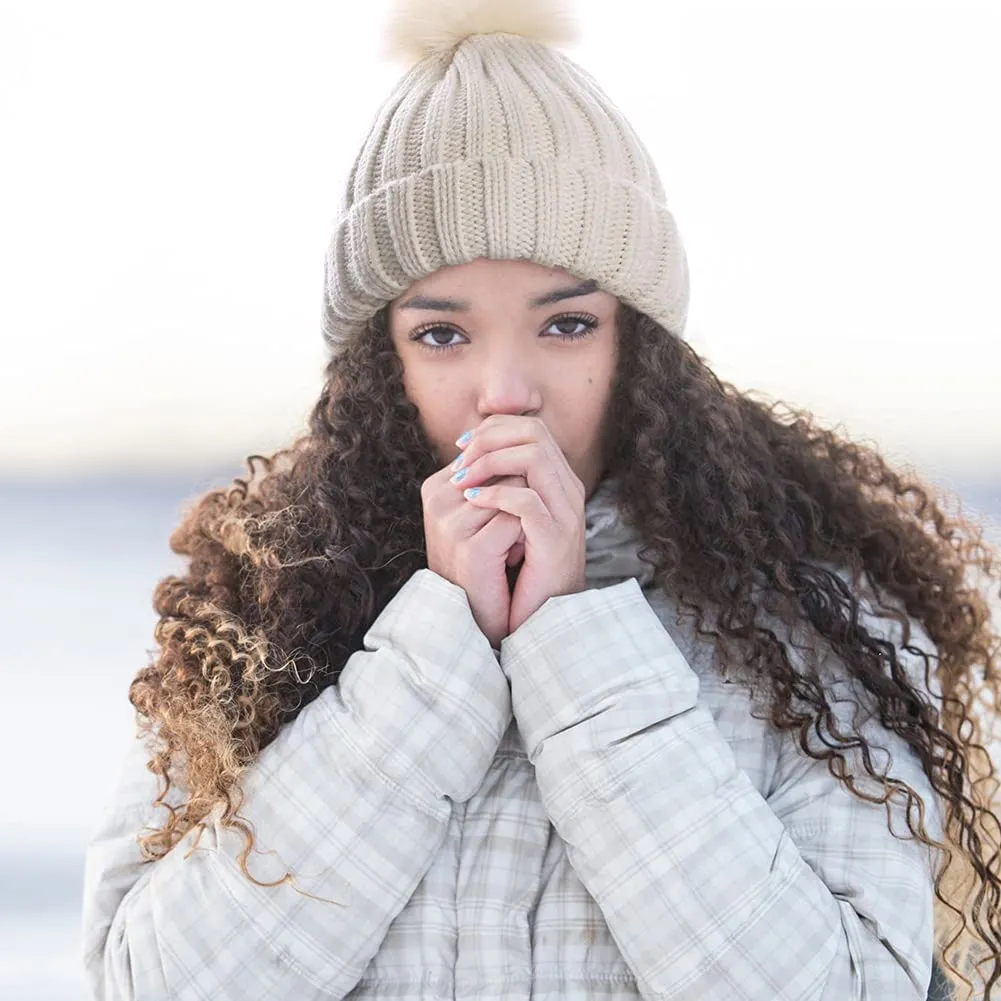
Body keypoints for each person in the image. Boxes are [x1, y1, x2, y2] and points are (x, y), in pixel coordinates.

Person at [80, 1, 1000, 999]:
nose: (504, 389)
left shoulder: (814, 622)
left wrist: (573, 638)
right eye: (441, 335)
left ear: (637, 344)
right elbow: (151, 982)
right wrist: (434, 650)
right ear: (377, 364)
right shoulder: (263, 612)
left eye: (563, 324)